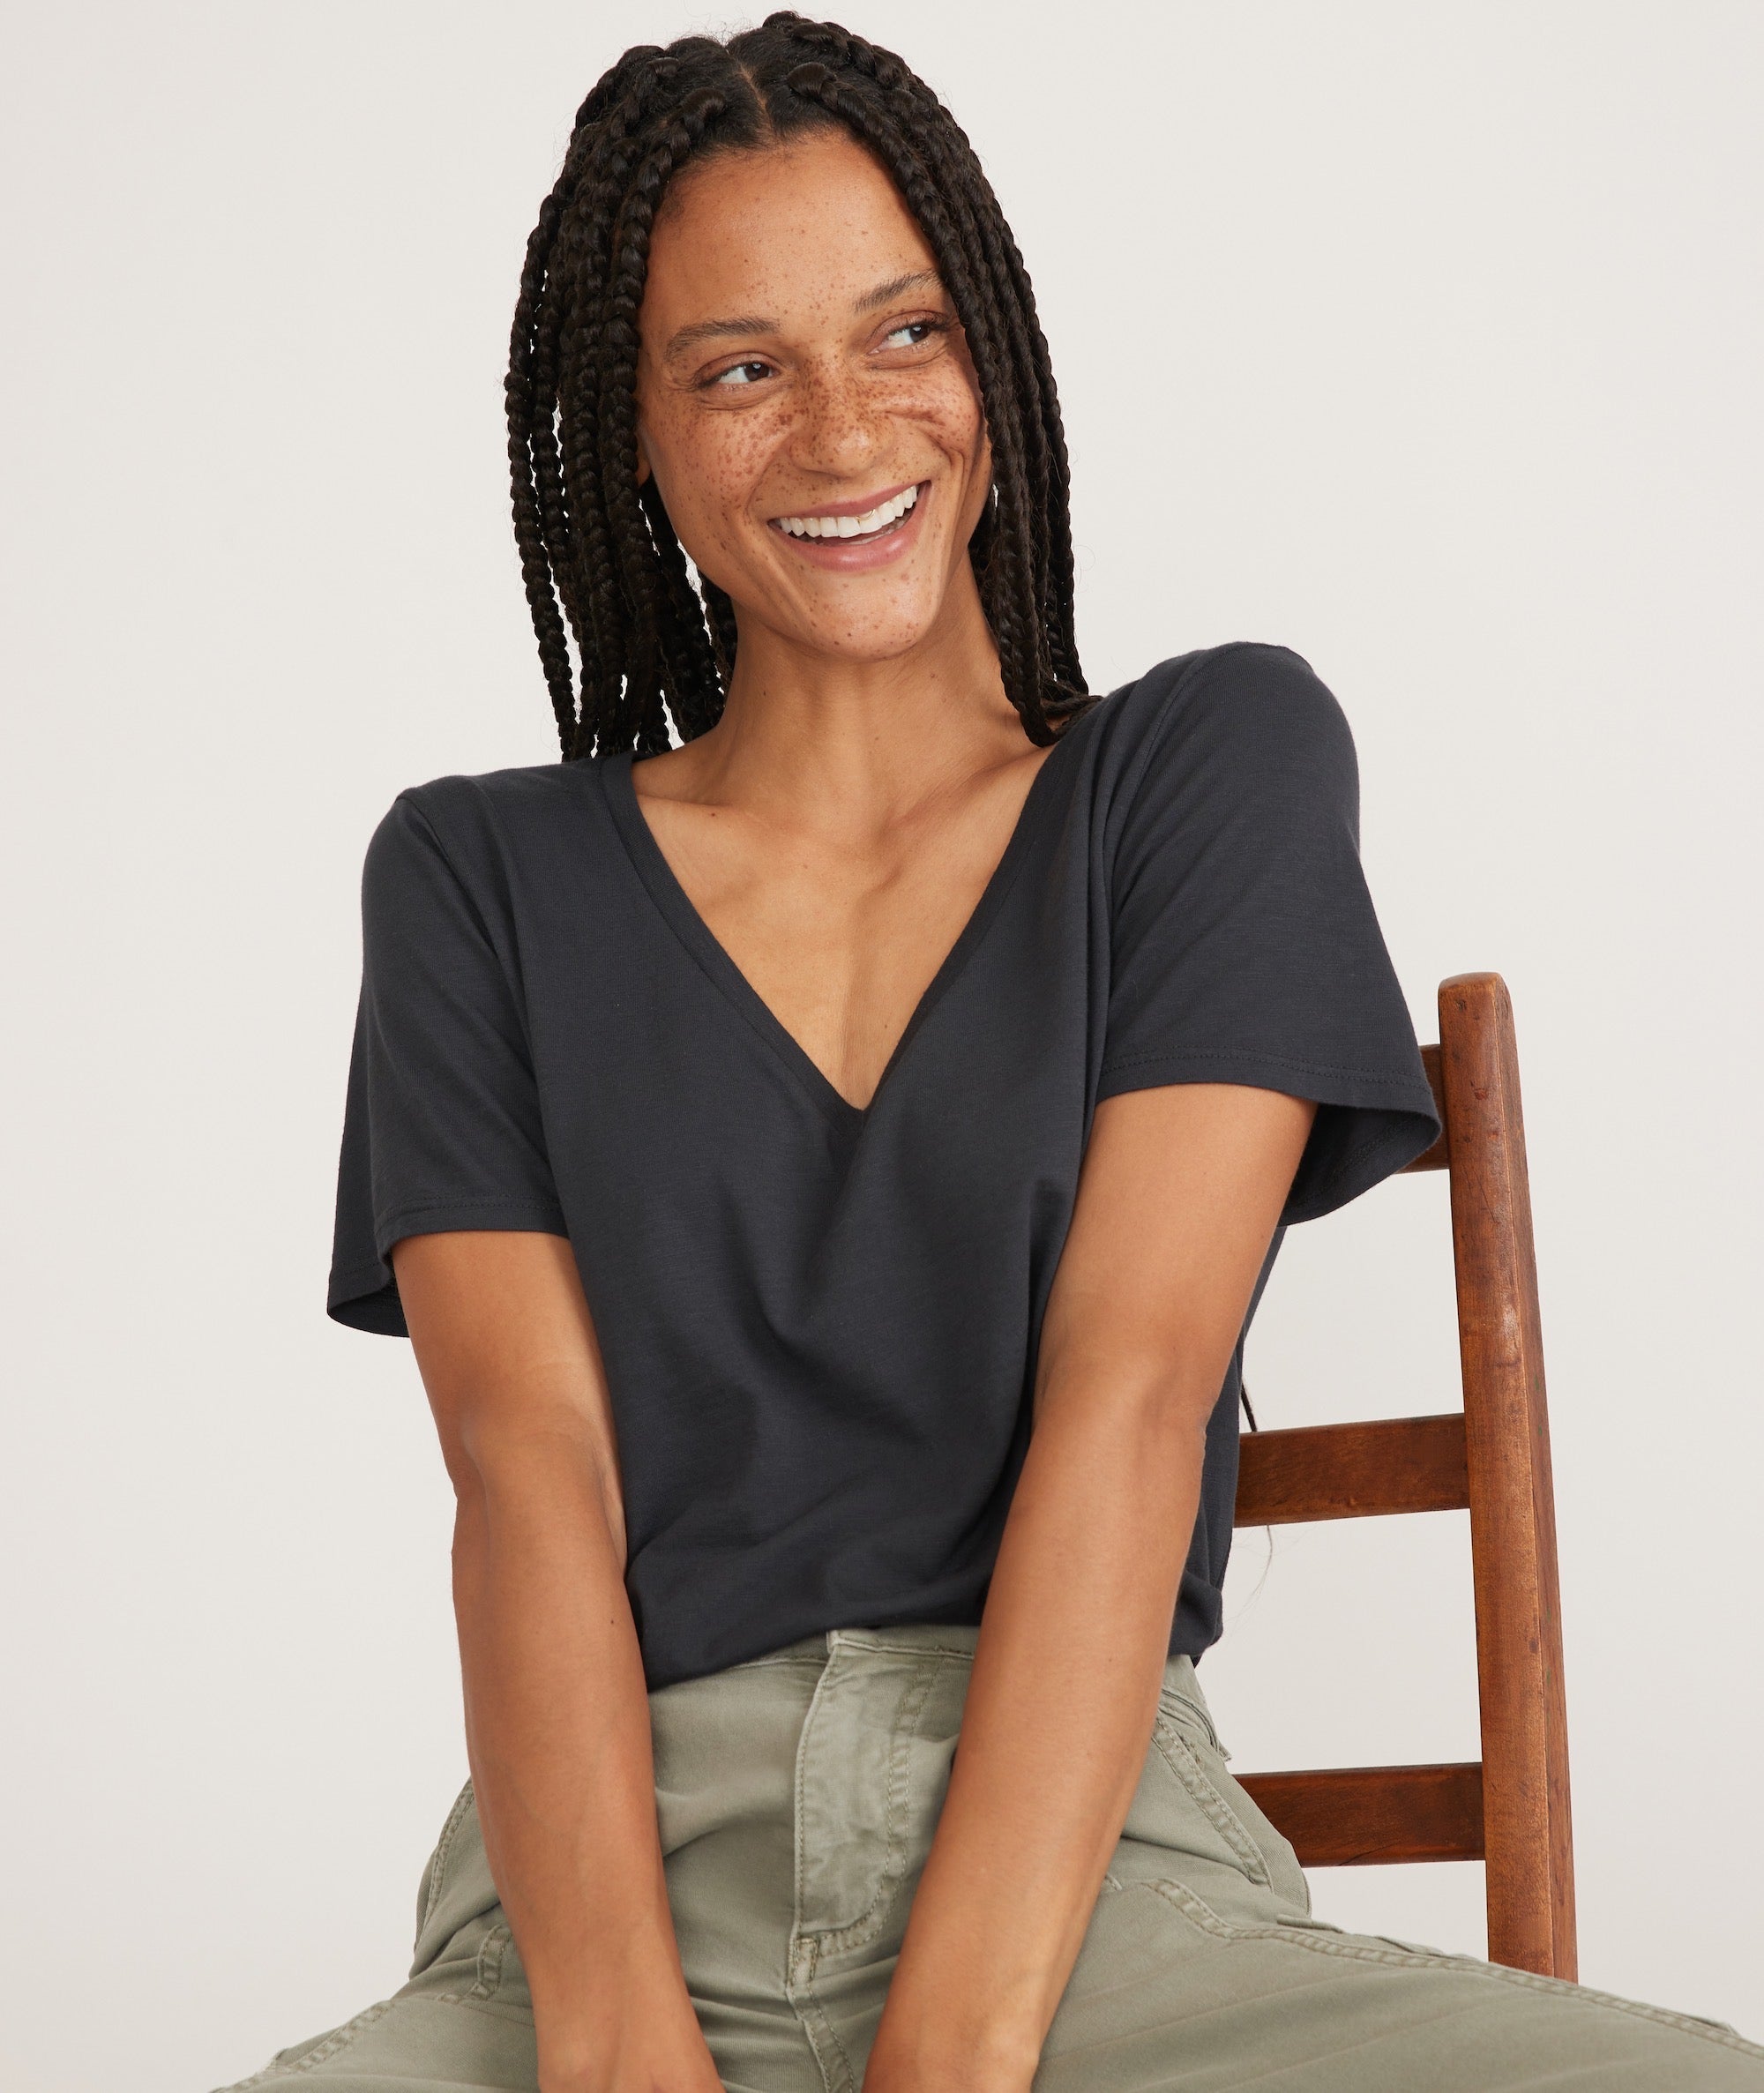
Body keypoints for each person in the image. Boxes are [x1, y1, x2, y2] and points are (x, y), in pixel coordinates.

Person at [217, 15, 1763, 2091]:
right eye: (740, 370)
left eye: (905, 331)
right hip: (596, 1915)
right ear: (633, 433)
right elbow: (526, 1468)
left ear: (994, 362)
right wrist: (614, 2051)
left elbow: (1130, 1395)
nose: (845, 429)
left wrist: (944, 2057)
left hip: (1083, 1893)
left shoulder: (1202, 772)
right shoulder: (476, 879)